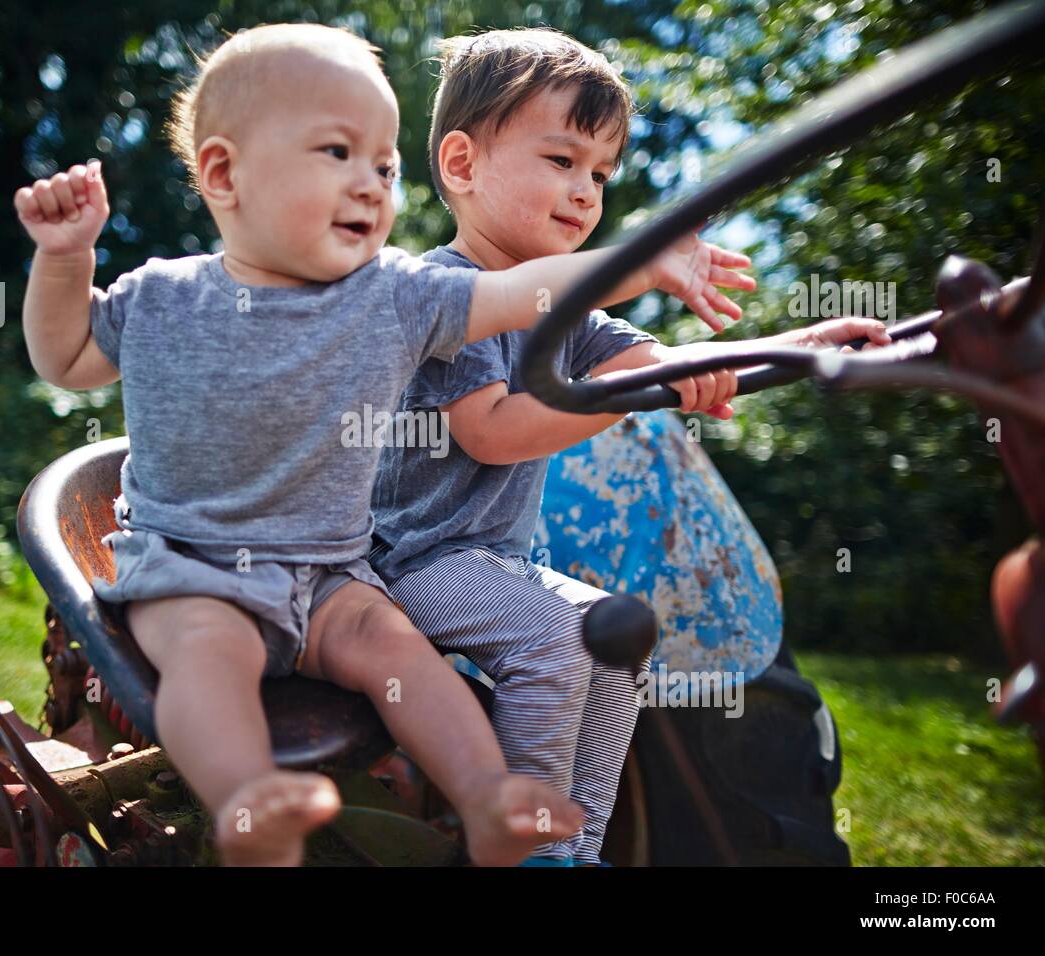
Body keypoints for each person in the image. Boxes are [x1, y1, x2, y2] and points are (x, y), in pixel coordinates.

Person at [13, 23, 743, 866]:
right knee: (210, 655)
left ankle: (497, 804)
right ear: (224, 174)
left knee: (405, 658)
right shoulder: (163, 295)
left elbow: (533, 292)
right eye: (337, 152)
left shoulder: (392, 295)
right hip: (197, 564)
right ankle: (249, 798)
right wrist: (64, 262)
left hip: (332, 573)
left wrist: (655, 274)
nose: (371, 184)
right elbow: (65, 358)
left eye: (385, 166)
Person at [371, 27, 889, 865]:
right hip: (409, 566)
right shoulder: (448, 296)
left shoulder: (566, 320)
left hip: (488, 562)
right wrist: (624, 399)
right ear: (462, 165)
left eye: (601, 174)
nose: (586, 193)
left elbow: (672, 363)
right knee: (556, 635)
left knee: (619, 635)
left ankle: (578, 846)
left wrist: (809, 346)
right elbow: (493, 434)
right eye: (562, 160)